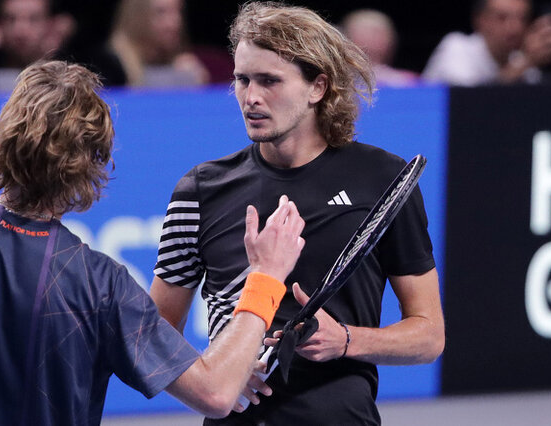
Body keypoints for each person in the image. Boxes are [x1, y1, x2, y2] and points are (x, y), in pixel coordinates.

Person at [0, 60, 306, 425]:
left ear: (6, 137)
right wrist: (265, 278)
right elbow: (216, 393)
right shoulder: (103, 285)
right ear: (92, 164)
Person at [150, 3, 445, 425]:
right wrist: (207, 380)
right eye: (242, 80)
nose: (250, 97)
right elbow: (152, 335)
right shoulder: (199, 191)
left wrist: (345, 340)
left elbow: (429, 335)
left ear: (317, 87)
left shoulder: (382, 179)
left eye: (269, 81)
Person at [422, 0, 551, 86]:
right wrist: (525, 62)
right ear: (479, 20)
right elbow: (471, 104)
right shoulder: (456, 47)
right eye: (502, 18)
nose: (514, 28)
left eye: (522, 19)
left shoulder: (523, 65)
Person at [106, 0, 210, 87]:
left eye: (178, 12)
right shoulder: (110, 65)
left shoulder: (180, 62)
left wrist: (195, 81)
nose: (175, 23)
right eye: (161, 12)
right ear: (137, 16)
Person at [339, 9, 419, 87]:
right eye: (365, 33)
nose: (371, 40)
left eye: (377, 33)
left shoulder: (409, 82)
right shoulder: (336, 82)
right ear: (345, 40)